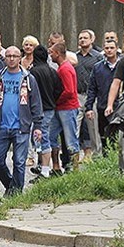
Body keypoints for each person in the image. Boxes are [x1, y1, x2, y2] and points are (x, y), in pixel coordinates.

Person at [0, 46, 44, 196]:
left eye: (14, 56)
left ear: (20, 58)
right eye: (8, 56)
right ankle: (11, 186)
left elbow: (36, 103)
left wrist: (37, 125)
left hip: (21, 127)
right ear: (4, 58)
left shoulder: (28, 78)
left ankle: (16, 193)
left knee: (19, 162)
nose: (11, 59)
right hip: (1, 126)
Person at [28, 44, 63, 179]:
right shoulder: (52, 71)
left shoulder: (33, 73)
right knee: (44, 136)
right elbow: (59, 89)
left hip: (37, 110)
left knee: (41, 138)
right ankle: (44, 167)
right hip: (50, 108)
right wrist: (52, 100)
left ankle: (44, 170)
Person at [48, 42, 81, 175]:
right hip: (62, 108)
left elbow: (69, 91)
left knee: (71, 139)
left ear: (57, 53)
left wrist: (55, 100)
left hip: (67, 108)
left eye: (51, 53)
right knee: (51, 136)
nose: (50, 55)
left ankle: (75, 170)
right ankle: (58, 166)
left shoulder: (65, 69)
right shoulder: (64, 67)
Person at [85, 38, 119, 151]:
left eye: (112, 48)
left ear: (116, 49)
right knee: (104, 136)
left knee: (117, 137)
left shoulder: (123, 66)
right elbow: (92, 88)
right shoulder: (98, 67)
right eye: (107, 48)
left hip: (119, 107)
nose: (109, 50)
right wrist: (89, 107)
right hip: (102, 106)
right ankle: (106, 160)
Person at [74, 29, 103, 161]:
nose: (82, 40)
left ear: (92, 40)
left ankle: (96, 155)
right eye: (80, 38)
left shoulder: (98, 57)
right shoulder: (74, 57)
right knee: (75, 125)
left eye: (85, 38)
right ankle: (74, 156)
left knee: (93, 127)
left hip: (93, 96)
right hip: (78, 95)